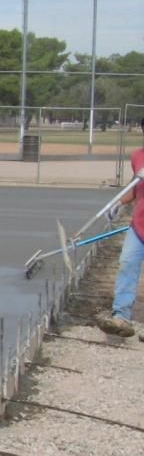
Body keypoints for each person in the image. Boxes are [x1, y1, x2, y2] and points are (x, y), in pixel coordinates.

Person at [97, 145, 144, 338]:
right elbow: (135, 188)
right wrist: (118, 203)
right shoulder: (138, 156)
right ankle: (121, 316)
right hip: (139, 225)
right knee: (127, 263)